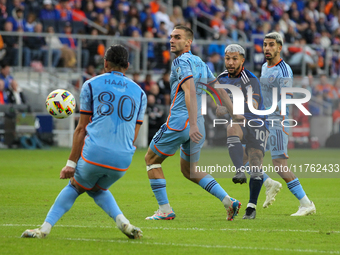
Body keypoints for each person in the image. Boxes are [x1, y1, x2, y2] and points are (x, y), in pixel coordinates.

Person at [21, 45, 146, 239]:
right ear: (127, 66)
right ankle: (125, 224)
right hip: (124, 158)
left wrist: (71, 163)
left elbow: (81, 129)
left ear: (105, 63)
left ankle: (43, 230)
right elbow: (134, 133)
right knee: (96, 188)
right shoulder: (140, 93)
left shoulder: (91, 85)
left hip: (95, 153)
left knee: (75, 186)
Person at [144, 25, 241, 221]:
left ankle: (164, 210)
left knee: (151, 160)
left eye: (177, 37)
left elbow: (188, 90)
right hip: (197, 124)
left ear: (188, 42)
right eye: (171, 37)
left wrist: (192, 125)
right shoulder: (200, 62)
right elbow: (219, 90)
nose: (171, 40)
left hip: (181, 123)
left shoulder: (181, 61)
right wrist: (236, 114)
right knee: (190, 170)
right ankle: (228, 201)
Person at [234, 32, 316, 216]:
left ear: (280, 47)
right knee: (245, 156)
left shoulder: (284, 70)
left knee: (279, 164)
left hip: (277, 121)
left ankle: (306, 203)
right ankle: (268, 182)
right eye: (265, 45)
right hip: (262, 120)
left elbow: (286, 97)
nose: (267, 49)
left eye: (271, 45)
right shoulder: (264, 67)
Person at [216, 44, 270, 219]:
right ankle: (239, 170)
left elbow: (254, 106)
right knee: (231, 127)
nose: (230, 62)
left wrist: (230, 106)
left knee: (255, 163)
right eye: (227, 59)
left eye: (234, 59)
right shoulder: (221, 79)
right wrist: (224, 109)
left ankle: (251, 208)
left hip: (256, 122)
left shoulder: (251, 79)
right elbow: (219, 107)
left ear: (242, 60)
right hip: (239, 120)